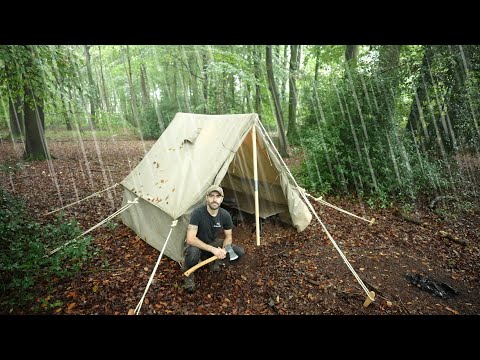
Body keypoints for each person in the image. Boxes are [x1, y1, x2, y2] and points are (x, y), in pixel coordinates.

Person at [183, 185, 245, 293]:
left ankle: (214, 261)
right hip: (196, 245)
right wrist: (213, 250)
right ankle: (189, 273)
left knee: (239, 252)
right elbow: (190, 239)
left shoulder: (225, 215)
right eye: (211, 196)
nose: (214, 199)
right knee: (193, 252)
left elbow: (228, 237)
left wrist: (224, 249)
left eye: (217, 196)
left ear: (221, 199)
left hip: (212, 243)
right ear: (207, 198)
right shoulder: (197, 213)